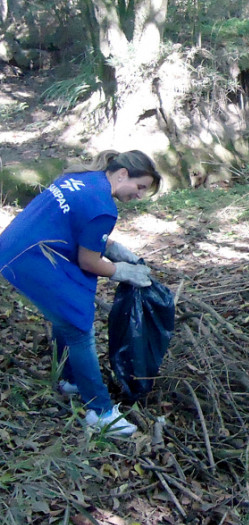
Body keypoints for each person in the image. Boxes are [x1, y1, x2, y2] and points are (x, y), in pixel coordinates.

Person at [0, 150, 162, 437]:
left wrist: (111, 247)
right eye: (140, 187)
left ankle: (71, 378)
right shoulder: (103, 206)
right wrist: (121, 271)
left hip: (17, 246)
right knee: (78, 326)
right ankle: (100, 412)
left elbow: (79, 224)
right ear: (122, 174)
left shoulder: (84, 179)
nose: (139, 196)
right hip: (32, 259)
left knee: (68, 310)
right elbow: (89, 261)